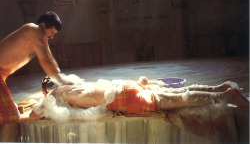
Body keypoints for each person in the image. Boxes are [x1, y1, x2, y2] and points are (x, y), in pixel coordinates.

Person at [29, 76, 249, 121]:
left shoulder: (56, 94)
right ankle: (218, 88)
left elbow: (32, 116)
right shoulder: (74, 84)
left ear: (47, 90)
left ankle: (225, 95)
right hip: (123, 88)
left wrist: (41, 102)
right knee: (171, 94)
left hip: (121, 99)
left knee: (177, 101)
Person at [0, 11, 74, 142]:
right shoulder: (33, 29)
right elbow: (44, 61)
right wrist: (62, 80)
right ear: (43, 25)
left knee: (9, 115)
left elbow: (50, 60)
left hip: (2, 76)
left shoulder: (41, 37)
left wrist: (64, 79)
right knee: (12, 118)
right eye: (52, 32)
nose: (52, 37)